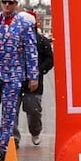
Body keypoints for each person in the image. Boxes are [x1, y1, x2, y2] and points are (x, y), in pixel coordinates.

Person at [0, 0, 39, 160]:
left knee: (9, 112)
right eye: (4, 2)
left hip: (13, 73)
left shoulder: (24, 24)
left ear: (16, 4)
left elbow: (31, 50)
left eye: (11, 2)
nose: (7, 5)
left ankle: (5, 145)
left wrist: (33, 76)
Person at [20, 10, 54, 146]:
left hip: (34, 83)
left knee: (33, 110)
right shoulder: (13, 39)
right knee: (11, 111)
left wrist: (38, 71)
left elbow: (50, 60)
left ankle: (35, 132)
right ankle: (13, 138)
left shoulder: (41, 41)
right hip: (15, 80)